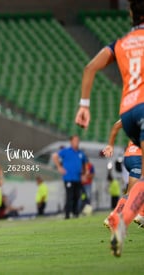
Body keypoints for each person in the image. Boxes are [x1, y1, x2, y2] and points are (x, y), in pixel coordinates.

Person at [74, 0, 144, 256]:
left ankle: (121, 217)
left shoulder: (121, 43)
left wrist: (84, 105)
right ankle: (121, 221)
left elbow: (90, 67)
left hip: (127, 114)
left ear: (131, 14)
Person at [102, 120, 143, 226]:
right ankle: (141, 215)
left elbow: (116, 125)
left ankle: (114, 217)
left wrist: (110, 145)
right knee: (133, 193)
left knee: (131, 192)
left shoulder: (134, 112)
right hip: (138, 157)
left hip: (129, 155)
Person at [52, 135, 87, 219]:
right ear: (71, 142)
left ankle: (75, 213)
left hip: (77, 178)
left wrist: (84, 174)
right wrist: (59, 167)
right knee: (69, 196)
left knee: (77, 196)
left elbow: (84, 164)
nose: (77, 142)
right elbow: (54, 156)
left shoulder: (80, 153)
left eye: (78, 140)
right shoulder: (66, 151)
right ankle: (67, 214)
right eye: (75, 140)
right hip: (68, 178)